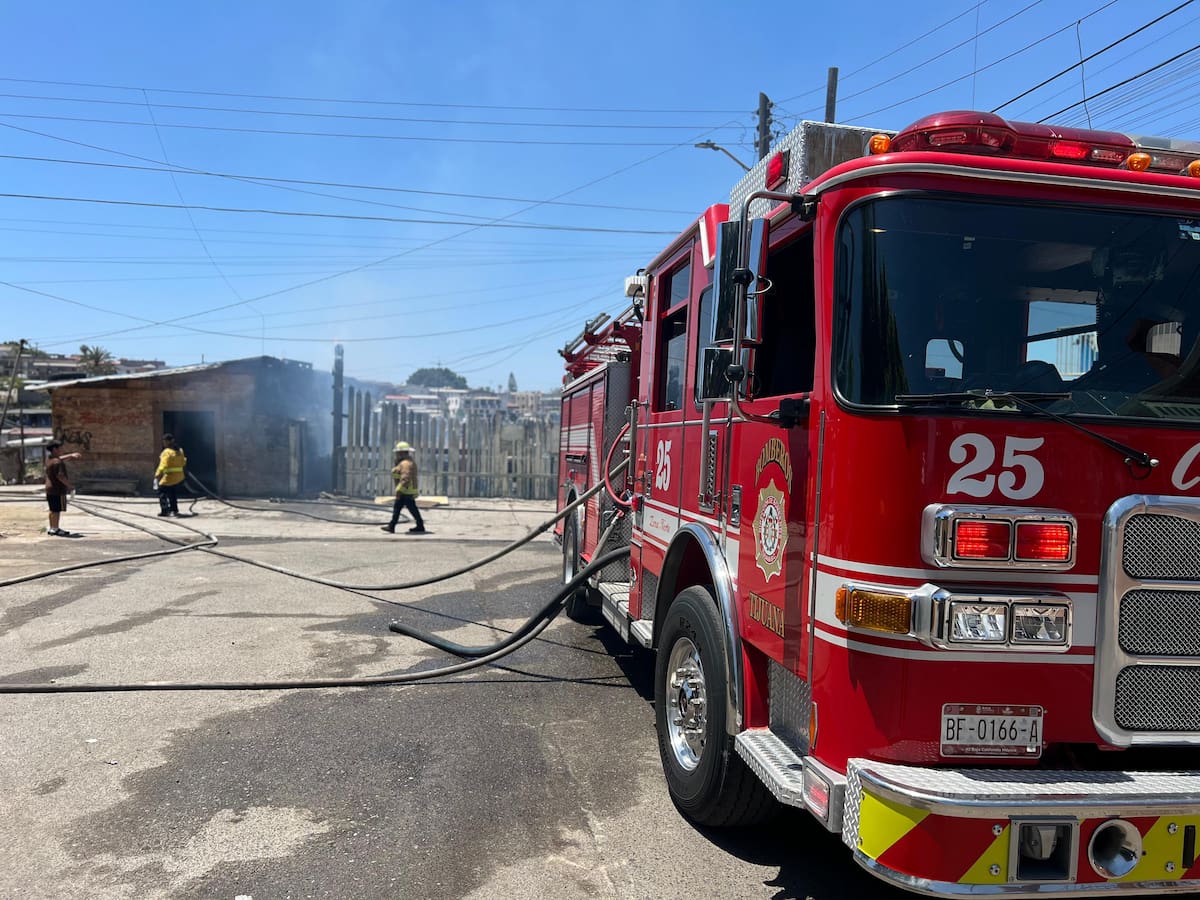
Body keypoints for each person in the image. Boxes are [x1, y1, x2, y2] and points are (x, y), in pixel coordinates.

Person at [381, 441, 426, 534]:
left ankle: (392, 526)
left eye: (398, 453)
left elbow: (405, 478)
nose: (397, 455)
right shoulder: (406, 462)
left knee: (405, 508)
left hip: (405, 491)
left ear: (402, 453)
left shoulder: (405, 464)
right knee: (403, 508)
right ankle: (392, 526)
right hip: (406, 491)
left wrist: (399, 490)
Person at [44, 440, 82, 537]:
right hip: (57, 489)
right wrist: (70, 486)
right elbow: (60, 476)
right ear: (55, 449)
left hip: (49, 489)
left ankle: (52, 527)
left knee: (52, 509)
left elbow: (59, 458)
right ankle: (56, 529)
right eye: (60, 448)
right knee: (57, 510)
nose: (62, 450)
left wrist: (70, 455)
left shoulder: (50, 459)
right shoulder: (58, 463)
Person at [154, 432, 188, 517]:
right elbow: (183, 462)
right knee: (172, 492)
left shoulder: (167, 452)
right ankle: (174, 509)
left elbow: (163, 465)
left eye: (164, 441)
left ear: (168, 442)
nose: (164, 443)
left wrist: (157, 475)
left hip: (169, 476)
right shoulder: (180, 450)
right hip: (179, 477)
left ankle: (165, 510)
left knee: (161, 491)